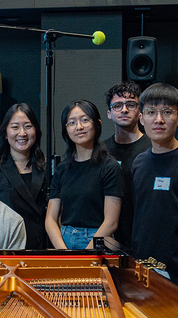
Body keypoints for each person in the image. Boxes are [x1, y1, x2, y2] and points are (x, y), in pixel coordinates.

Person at [130, 83, 178, 291]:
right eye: (151, 112)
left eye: (167, 112)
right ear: (141, 119)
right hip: (143, 266)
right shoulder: (138, 163)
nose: (158, 119)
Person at [45, 100, 123, 249]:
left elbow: (111, 222)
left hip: (97, 240)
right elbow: (50, 219)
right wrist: (63, 251)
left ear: (97, 124)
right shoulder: (62, 168)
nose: (79, 127)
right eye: (72, 123)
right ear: (66, 129)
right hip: (64, 239)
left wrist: (85, 255)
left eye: (85, 120)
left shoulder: (110, 166)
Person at [0, 103, 49, 249]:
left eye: (28, 126)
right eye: (15, 127)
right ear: (5, 133)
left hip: (42, 248)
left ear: (36, 130)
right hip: (8, 248)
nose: (22, 133)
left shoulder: (47, 167)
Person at [103, 81, 150, 246]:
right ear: (109, 113)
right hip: (109, 236)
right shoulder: (101, 151)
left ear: (140, 112)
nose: (124, 110)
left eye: (131, 104)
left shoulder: (153, 148)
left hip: (145, 234)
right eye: (117, 105)